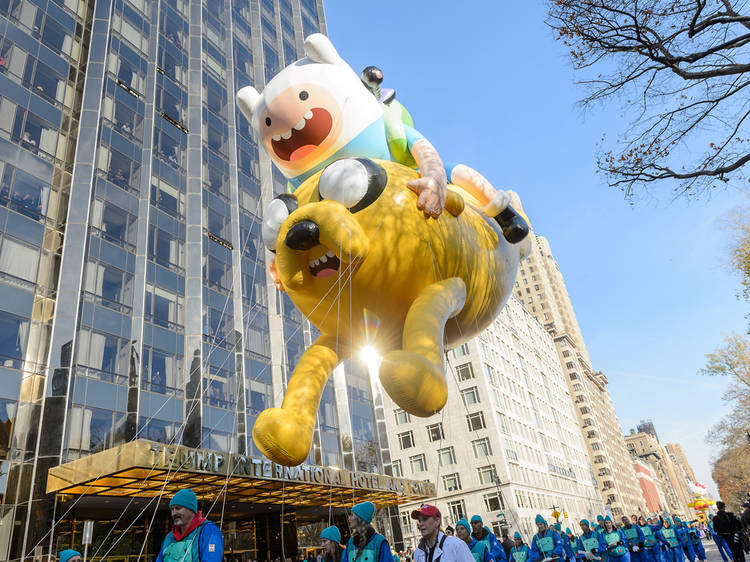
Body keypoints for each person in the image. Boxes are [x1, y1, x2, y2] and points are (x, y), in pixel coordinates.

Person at [155, 488, 223, 562]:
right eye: (172, 509)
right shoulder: (169, 537)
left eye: (178, 508)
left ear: (191, 509)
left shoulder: (208, 531)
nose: (174, 513)